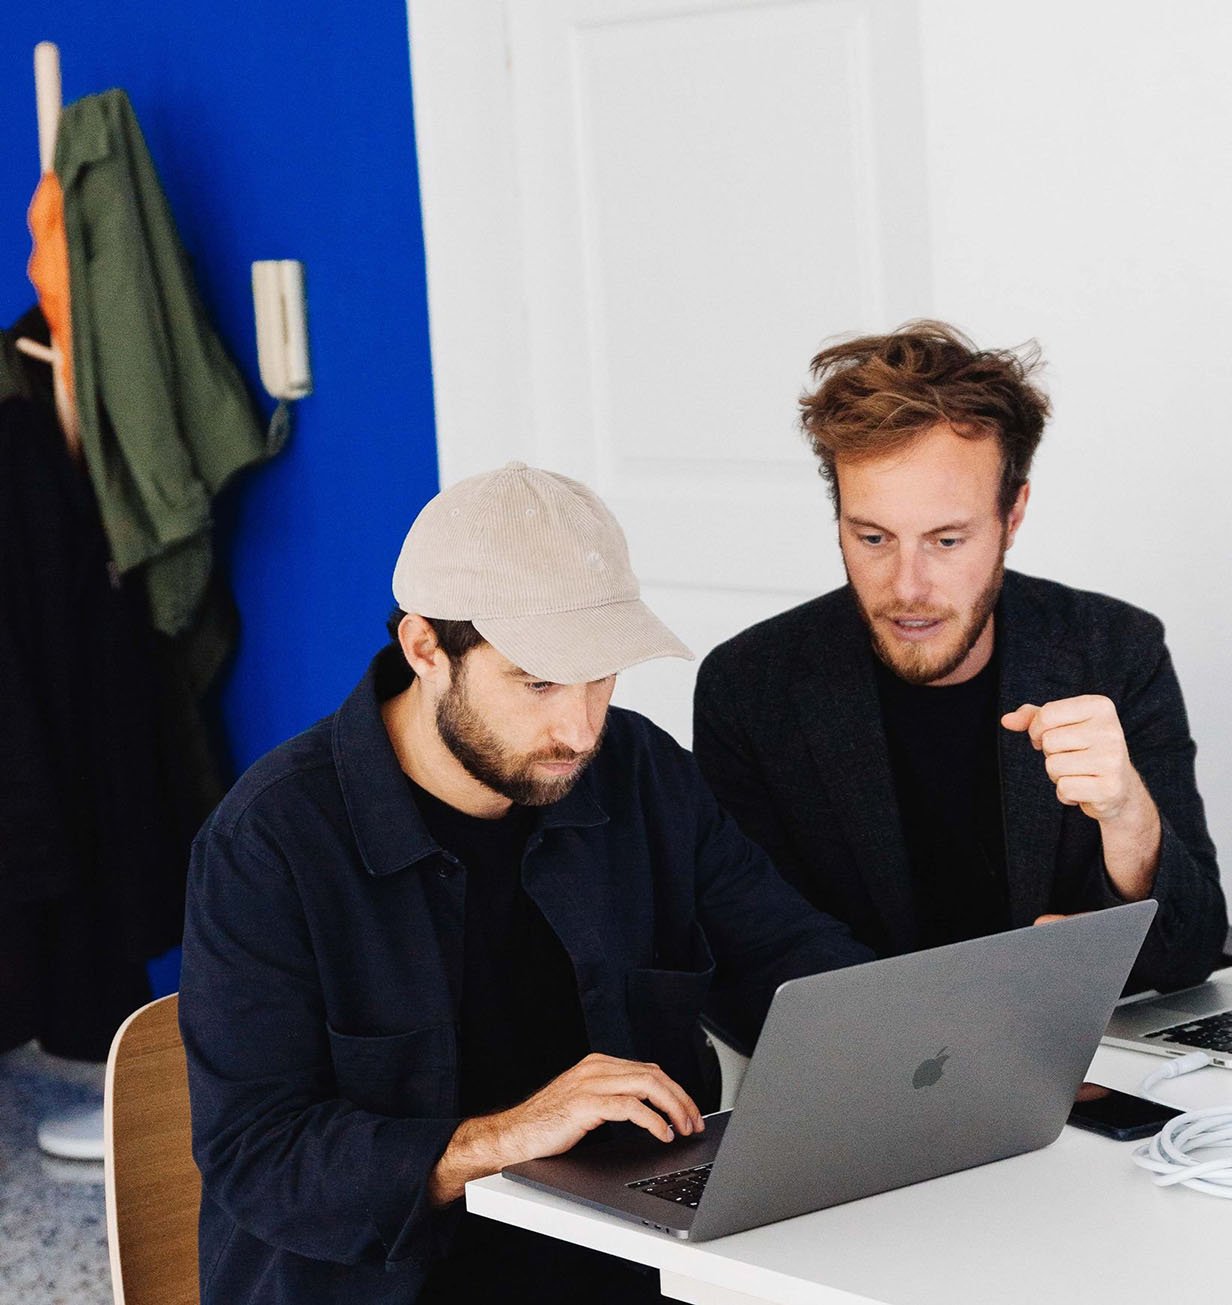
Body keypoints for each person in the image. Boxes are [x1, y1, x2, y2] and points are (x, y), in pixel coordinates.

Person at [178, 464, 871, 1304]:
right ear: (425, 647)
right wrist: (508, 1135)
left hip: (627, 1264)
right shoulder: (270, 843)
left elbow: (786, 954)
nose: (579, 728)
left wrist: (931, 1044)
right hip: (383, 1283)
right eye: (538, 680)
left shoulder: (638, 771)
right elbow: (261, 1155)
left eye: (601, 675)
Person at [693, 322, 1227, 1002]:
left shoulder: (1114, 650)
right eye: (873, 537)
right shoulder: (749, 688)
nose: (908, 585)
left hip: (1091, 1081)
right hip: (872, 1081)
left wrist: (1128, 817)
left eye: (947, 539)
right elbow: (751, 962)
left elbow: (1193, 949)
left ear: (1013, 516)